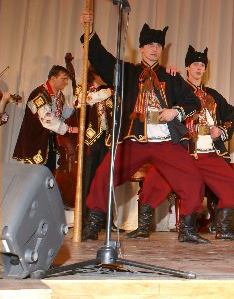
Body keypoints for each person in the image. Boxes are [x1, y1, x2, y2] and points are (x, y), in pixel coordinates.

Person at [79, 13, 207, 244]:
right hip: (133, 139)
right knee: (103, 174)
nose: (154, 49)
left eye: (158, 45)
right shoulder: (127, 72)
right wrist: (89, 32)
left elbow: (193, 102)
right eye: (150, 44)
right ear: (141, 48)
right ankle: (93, 223)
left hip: (165, 141)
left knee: (192, 178)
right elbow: (101, 58)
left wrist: (175, 111)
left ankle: (187, 229)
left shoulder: (172, 77)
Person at [128, 45, 234, 242]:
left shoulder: (213, 95)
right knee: (154, 183)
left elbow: (231, 118)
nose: (199, 68)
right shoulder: (175, 86)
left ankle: (223, 228)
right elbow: (154, 113)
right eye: (195, 64)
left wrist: (221, 131)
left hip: (208, 152)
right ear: (187, 67)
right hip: (182, 151)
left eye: (202, 65)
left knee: (232, 185)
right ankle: (143, 227)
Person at [13, 65, 78, 172]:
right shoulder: (39, 94)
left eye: (67, 79)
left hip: (49, 141)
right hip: (36, 141)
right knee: (35, 174)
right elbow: (47, 120)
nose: (66, 82)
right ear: (53, 78)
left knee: (48, 172)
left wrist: (81, 108)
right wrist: (69, 129)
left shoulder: (59, 96)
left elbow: (66, 112)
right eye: (64, 78)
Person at [74, 66, 114, 218]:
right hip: (90, 140)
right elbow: (81, 101)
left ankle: (102, 218)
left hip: (106, 139)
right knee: (88, 177)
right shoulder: (82, 88)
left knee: (104, 178)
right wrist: (108, 92)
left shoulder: (108, 91)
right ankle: (84, 216)